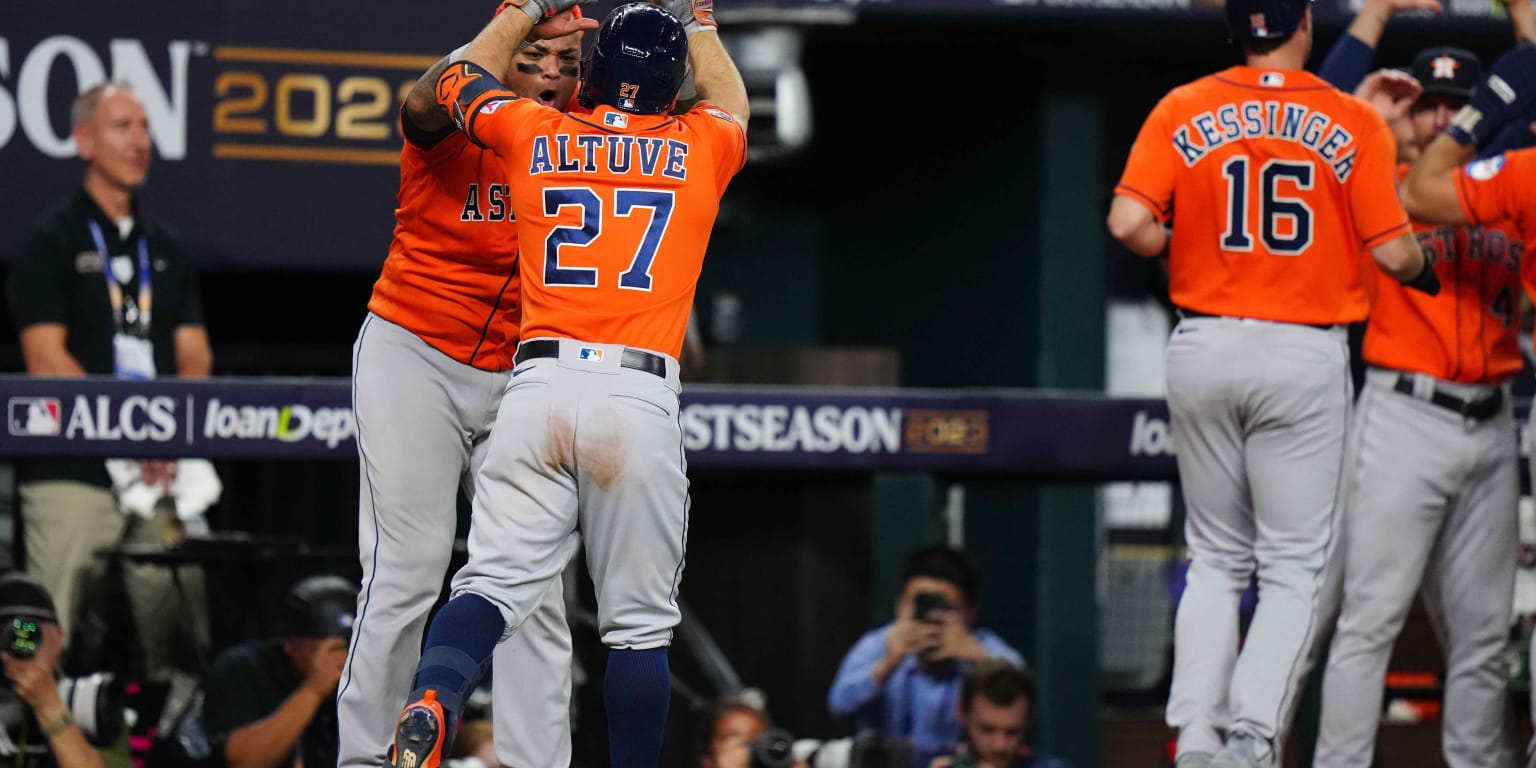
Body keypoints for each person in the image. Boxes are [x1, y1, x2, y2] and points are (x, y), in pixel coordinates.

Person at [384, 1, 749, 767]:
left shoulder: (532, 129)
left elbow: (451, 80)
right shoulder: (702, 142)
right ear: (673, 84)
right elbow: (731, 101)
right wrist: (701, 22)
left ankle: (434, 697)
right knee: (637, 628)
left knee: (485, 589)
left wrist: (521, 11)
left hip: (538, 386)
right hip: (636, 398)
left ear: (595, 75)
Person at [1105, 0, 1435, 764]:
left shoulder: (1184, 104)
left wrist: (1176, 242)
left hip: (1203, 342)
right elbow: (1394, 257)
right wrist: (1427, 267)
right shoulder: (1352, 119)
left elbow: (1127, 223)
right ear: (1306, 23)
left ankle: (1194, 738)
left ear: (1234, 29)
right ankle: (1253, 736)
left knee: (1215, 558)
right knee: (1291, 567)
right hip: (1300, 353)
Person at [335, 7, 595, 768]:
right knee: (405, 573)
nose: (551, 74)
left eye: (568, 60)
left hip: (526, 370)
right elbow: (426, 99)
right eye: (533, 56)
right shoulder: (457, 110)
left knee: (534, 590)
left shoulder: (595, 131)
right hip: (416, 353)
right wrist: (515, 13)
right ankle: (363, 758)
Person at [1309, 5, 1536, 763]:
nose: (1440, 115)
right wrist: (1373, 15)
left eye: (1454, 103)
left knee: (1482, 633)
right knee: (1369, 618)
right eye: (1426, 102)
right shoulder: (1382, 182)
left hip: (1494, 421)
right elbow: (1315, 109)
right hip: (1404, 415)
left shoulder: (1504, 188)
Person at [5, 81, 214, 677]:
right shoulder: (50, 240)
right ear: (84, 140)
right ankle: (23, 724)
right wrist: (133, 431)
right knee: (44, 618)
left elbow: (193, 356)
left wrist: (167, 432)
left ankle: (174, 734)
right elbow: (46, 359)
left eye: (145, 127)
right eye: (123, 127)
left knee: (182, 611)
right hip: (74, 461)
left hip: (157, 464)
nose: (140, 141)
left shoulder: (167, 246)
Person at [828, 546, 1023, 768]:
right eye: (921, 606)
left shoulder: (981, 647)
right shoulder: (881, 644)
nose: (931, 619)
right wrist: (888, 664)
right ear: (900, 606)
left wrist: (977, 658)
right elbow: (839, 705)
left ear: (970, 613)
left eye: (944, 607)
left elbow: (1020, 689)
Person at [202, 575, 356, 768]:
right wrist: (313, 690)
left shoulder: (367, 675)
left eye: (349, 647)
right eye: (324, 651)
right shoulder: (244, 669)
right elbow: (244, 762)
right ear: (289, 643)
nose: (340, 660)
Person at [0, 572, 108, 768]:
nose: (17, 646)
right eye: (5, 634)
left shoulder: (97, 710)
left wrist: (48, 705)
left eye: (30, 633)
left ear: (58, 639)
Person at [927, 659, 1068, 768]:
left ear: (1028, 722)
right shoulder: (929, 762)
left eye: (1012, 732)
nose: (999, 746)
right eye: (987, 730)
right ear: (962, 714)